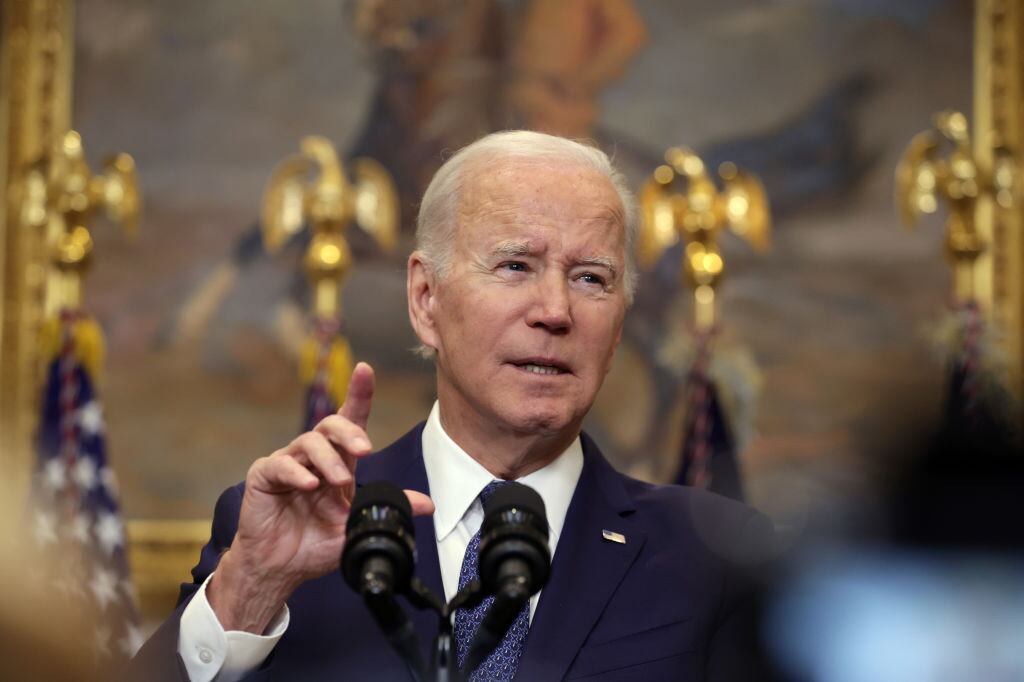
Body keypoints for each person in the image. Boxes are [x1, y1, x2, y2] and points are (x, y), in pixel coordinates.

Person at [131, 130, 774, 681]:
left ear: (619, 322)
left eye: (591, 278)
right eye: (515, 266)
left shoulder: (713, 557)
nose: (555, 311)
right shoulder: (296, 532)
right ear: (425, 299)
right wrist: (249, 592)